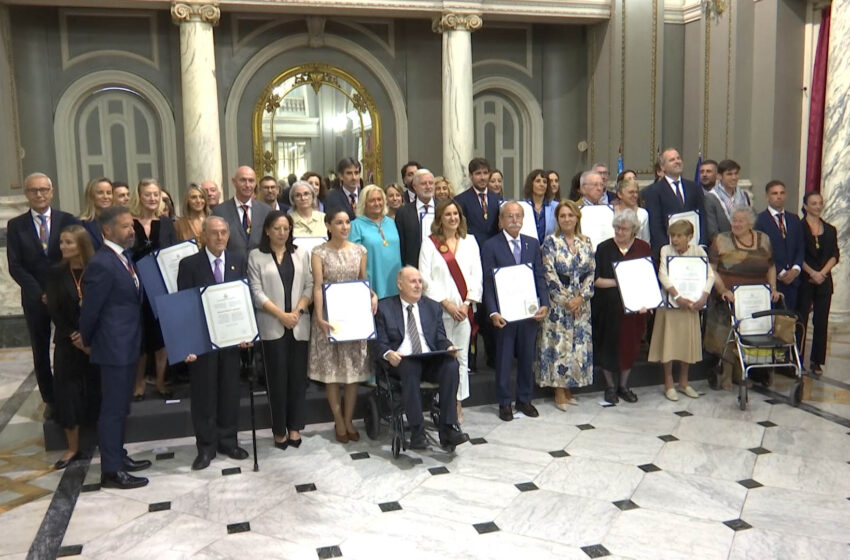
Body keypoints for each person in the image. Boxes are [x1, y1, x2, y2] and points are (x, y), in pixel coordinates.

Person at [79, 206, 150, 489]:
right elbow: (90, 311)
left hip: (127, 344)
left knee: (121, 407)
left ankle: (118, 455)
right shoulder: (101, 263)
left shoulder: (124, 257)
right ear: (107, 230)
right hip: (113, 348)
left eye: (131, 225)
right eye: (125, 226)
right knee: (112, 409)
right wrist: (88, 341)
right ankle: (111, 471)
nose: (131, 230)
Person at [177, 217, 251, 470]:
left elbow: (244, 298)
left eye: (223, 232)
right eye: (214, 233)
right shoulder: (189, 265)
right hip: (203, 342)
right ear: (204, 236)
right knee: (204, 395)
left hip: (230, 341)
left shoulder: (238, 260)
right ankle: (206, 447)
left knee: (230, 392)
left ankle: (228, 441)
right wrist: (188, 343)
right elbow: (184, 305)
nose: (220, 237)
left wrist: (246, 332)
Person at [7, 172, 79, 418]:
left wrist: (58, 291)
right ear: (26, 194)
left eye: (43, 189)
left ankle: (72, 393)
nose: (39, 194)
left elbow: (75, 257)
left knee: (70, 343)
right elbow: (15, 266)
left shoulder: (67, 220)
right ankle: (50, 398)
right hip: (35, 298)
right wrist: (40, 293)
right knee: (40, 349)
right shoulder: (16, 225)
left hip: (65, 296)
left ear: (52, 192)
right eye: (33, 190)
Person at [375, 267, 470, 449]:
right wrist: (388, 354)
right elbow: (379, 343)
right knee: (410, 366)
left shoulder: (432, 307)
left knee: (451, 364)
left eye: (420, 281)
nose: (418, 285)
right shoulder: (385, 308)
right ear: (400, 284)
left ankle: (448, 428)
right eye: (413, 281)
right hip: (401, 361)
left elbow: (440, 337)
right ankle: (417, 432)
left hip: (429, 360)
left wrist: (448, 346)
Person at [307, 209, 376, 443]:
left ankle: (349, 420)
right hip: (330, 316)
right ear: (328, 226)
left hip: (353, 318)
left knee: (352, 373)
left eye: (347, 222)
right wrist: (319, 316)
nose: (345, 227)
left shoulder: (359, 251)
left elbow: (363, 282)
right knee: (333, 374)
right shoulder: (319, 252)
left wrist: (373, 296)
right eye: (339, 223)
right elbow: (318, 286)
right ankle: (338, 421)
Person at [249, 212, 313, 450]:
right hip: (272, 324)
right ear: (267, 230)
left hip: (298, 323)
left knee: (297, 379)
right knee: (276, 380)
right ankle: (279, 430)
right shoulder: (256, 256)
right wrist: (281, 315)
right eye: (277, 228)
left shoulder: (300, 253)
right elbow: (256, 292)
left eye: (286, 228)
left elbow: (310, 284)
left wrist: (297, 311)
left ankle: (295, 427)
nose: (282, 233)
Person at [481, 202, 549, 421]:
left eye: (518, 216)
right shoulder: (490, 246)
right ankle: (504, 402)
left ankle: (524, 399)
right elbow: (488, 282)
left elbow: (540, 276)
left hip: (529, 312)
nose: (514, 220)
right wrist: (493, 312)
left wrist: (545, 303)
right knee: (504, 359)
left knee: (527, 357)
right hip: (505, 314)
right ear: (501, 220)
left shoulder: (532, 244)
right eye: (509, 216)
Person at [419, 200, 482, 423]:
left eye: (456, 213)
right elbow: (424, 278)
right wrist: (446, 303)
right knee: (444, 359)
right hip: (440, 311)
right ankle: (442, 401)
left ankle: (457, 403)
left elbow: (476, 275)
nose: (453, 218)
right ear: (440, 219)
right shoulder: (430, 244)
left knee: (461, 358)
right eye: (448, 214)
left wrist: (466, 304)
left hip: (464, 311)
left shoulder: (470, 241)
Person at [708, 205, 780, 390]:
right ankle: (726, 376)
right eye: (734, 220)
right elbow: (711, 269)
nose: (736, 224)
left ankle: (743, 374)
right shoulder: (721, 239)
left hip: (757, 301)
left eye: (741, 221)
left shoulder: (764, 239)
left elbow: (771, 266)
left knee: (752, 335)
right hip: (728, 299)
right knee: (727, 337)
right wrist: (722, 290)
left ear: (750, 223)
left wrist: (773, 289)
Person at [46, 225, 100, 469]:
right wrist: (74, 336)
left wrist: (89, 338)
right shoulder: (56, 273)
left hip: (96, 341)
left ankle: (105, 442)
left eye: (68, 242)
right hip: (68, 342)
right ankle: (72, 448)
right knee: (68, 395)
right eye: (61, 242)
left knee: (97, 390)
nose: (63, 247)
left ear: (81, 244)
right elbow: (54, 309)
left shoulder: (97, 269)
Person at [534, 200, 595, 411]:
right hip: (559, 305)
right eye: (562, 216)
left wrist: (581, 298)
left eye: (570, 215)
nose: (567, 219)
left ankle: (570, 387)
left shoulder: (586, 241)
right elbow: (549, 274)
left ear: (577, 217)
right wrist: (568, 300)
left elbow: (591, 272)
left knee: (576, 348)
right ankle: (558, 390)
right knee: (559, 348)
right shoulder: (550, 242)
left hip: (581, 305)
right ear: (557, 219)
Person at [648, 220, 714, 401]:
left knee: (686, 344)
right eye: (672, 236)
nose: (675, 239)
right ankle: (669, 383)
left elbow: (710, 275)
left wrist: (704, 296)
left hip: (691, 305)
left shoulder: (699, 252)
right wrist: (677, 297)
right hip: (670, 305)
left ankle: (684, 382)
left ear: (689, 237)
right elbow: (663, 275)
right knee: (669, 343)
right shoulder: (665, 250)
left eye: (679, 236)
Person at [592, 208, 651, 404]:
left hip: (634, 309)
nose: (619, 232)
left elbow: (648, 279)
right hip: (608, 307)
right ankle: (610, 387)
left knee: (630, 346)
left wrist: (648, 301)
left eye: (623, 229)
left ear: (634, 230)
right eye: (616, 228)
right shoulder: (603, 248)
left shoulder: (643, 248)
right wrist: (621, 281)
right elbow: (596, 280)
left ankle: (623, 386)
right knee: (607, 346)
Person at [129, 178, 176, 400]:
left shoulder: (166, 223)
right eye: (147, 194)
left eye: (156, 194)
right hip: (136, 288)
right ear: (139, 196)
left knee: (161, 337)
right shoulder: (129, 222)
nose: (152, 198)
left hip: (162, 287)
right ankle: (138, 383)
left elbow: (174, 252)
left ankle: (160, 381)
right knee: (141, 336)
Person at [797, 192, 839, 376]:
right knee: (801, 320)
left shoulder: (830, 229)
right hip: (804, 280)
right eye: (813, 203)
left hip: (824, 280)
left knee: (821, 322)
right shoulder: (798, 228)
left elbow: (835, 254)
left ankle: (817, 361)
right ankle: (797, 358)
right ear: (805, 206)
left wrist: (822, 273)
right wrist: (812, 273)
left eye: (820, 203)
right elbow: (797, 254)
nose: (818, 206)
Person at [643, 148, 707, 257]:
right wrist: (668, 250)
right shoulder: (654, 191)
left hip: (694, 250)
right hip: (669, 251)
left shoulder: (694, 187)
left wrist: (702, 244)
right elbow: (655, 225)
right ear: (662, 167)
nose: (677, 161)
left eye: (678, 158)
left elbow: (703, 217)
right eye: (672, 160)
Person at [755, 180, 804, 310]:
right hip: (773, 280)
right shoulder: (759, 220)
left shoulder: (794, 219)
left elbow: (801, 246)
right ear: (767, 197)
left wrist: (795, 269)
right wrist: (781, 272)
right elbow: (761, 251)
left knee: (791, 318)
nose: (779, 196)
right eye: (775, 193)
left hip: (794, 281)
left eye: (782, 193)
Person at [350, 184, 402, 298]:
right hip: (373, 282)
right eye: (372, 200)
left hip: (395, 281)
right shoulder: (356, 226)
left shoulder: (391, 222)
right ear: (364, 203)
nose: (377, 203)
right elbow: (354, 261)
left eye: (379, 199)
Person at [212, 166, 272, 257]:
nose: (247, 185)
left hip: (260, 263)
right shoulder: (220, 211)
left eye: (251, 181)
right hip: (232, 264)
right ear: (234, 182)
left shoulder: (266, 210)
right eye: (243, 180)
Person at [396, 168, 437, 267]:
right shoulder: (403, 212)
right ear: (415, 186)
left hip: (440, 264)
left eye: (431, 183)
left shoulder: (443, 209)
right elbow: (401, 245)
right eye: (424, 184)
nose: (428, 187)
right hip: (414, 266)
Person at [704, 159, 751, 243]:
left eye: (736, 173)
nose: (734, 177)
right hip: (723, 245)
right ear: (719, 176)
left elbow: (750, 221)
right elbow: (712, 231)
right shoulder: (711, 198)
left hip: (745, 244)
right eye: (729, 174)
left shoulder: (744, 195)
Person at [523, 169, 558, 245]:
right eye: (538, 181)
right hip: (528, 248)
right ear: (531, 184)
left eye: (545, 182)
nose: (542, 184)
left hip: (549, 248)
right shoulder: (523, 206)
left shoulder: (556, 207)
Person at [79, 177, 113, 250]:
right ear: (91, 196)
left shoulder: (118, 222)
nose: (105, 197)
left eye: (109, 193)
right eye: (100, 193)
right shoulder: (81, 224)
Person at [616, 178, 650, 242]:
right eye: (631, 192)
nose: (635, 195)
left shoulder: (642, 214)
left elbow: (646, 240)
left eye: (636, 192)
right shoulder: (610, 212)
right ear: (620, 194)